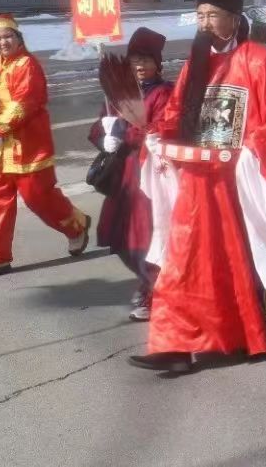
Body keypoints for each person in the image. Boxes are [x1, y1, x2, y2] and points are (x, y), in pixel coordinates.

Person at [131, 0, 266, 373]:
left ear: (234, 18)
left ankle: (247, 333)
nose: (204, 23)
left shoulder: (258, 62)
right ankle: (174, 344)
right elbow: (176, 111)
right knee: (183, 261)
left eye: (212, 14)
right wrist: (158, 135)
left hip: (241, 183)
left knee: (242, 261)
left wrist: (252, 150)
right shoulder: (193, 65)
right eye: (199, 15)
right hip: (198, 183)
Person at [0, 15, 91, 281]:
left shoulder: (29, 65)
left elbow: (26, 103)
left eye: (8, 36)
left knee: (38, 196)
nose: (4, 42)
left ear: (18, 37)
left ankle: (76, 225)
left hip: (27, 143)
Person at [87, 28, 174, 320]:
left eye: (147, 60)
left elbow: (164, 127)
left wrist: (129, 133)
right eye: (136, 59)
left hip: (150, 175)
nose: (140, 65)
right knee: (123, 239)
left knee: (147, 236)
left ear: (158, 64)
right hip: (123, 178)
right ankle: (150, 283)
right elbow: (100, 126)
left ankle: (155, 290)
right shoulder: (118, 95)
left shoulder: (165, 93)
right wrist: (105, 135)